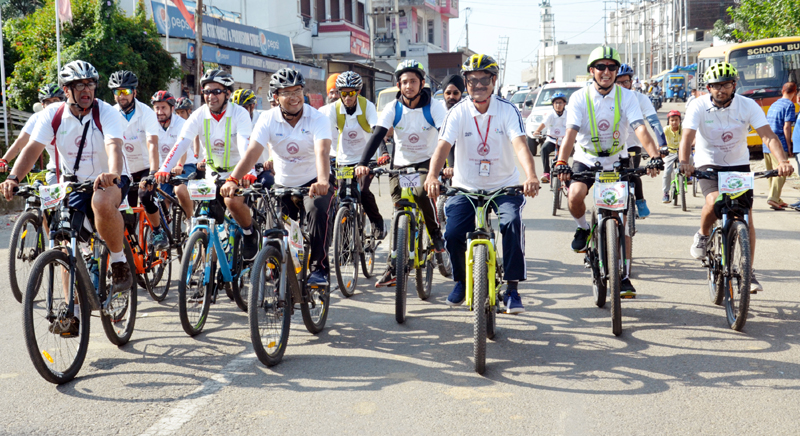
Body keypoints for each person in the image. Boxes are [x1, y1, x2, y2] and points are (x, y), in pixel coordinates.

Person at [0, 60, 133, 293]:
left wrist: (113, 173)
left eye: (90, 84)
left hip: (109, 179)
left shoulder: (107, 112)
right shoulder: (52, 114)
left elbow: (114, 145)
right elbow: (32, 148)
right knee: (64, 241)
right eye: (78, 85)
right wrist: (13, 177)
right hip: (73, 184)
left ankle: (119, 261)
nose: (86, 90)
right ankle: (70, 315)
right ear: (66, 90)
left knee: (101, 201)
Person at [424, 54, 540, 313]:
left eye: (484, 80)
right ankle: (461, 282)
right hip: (465, 188)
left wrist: (530, 175)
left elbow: (520, 146)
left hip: (503, 187)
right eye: (472, 80)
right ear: (466, 83)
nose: (478, 85)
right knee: (453, 234)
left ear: (494, 81)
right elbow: (442, 147)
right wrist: (432, 176)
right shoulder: (457, 112)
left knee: (511, 223)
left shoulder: (507, 110)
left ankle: (511, 288)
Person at [553, 46, 663, 298]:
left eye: (611, 67)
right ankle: (583, 227)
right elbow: (570, 134)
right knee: (575, 197)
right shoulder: (580, 98)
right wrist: (561, 161)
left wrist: (655, 155)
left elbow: (640, 129)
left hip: (616, 160)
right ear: (591, 71)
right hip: (586, 158)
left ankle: (623, 277)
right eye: (600, 67)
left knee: (621, 220)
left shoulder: (627, 97)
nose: (606, 72)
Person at [679, 62, 794, 293]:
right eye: (715, 85)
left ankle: (747, 271)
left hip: (738, 165)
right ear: (708, 87)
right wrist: (684, 162)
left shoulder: (748, 105)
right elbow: (687, 136)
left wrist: (782, 161)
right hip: (708, 162)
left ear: (734, 85)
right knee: (713, 202)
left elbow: (768, 136)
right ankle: (702, 236)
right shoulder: (698, 106)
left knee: (746, 217)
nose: (720, 90)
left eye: (726, 84)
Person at [220, 68, 334, 285]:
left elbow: (322, 151)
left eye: (298, 91)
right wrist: (233, 179)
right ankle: (276, 273)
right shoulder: (267, 119)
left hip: (313, 181)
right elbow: (252, 152)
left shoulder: (317, 118)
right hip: (283, 185)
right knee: (274, 232)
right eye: (287, 92)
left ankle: (319, 268)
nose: (294, 97)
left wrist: (322, 181)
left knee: (317, 210)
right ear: (275, 97)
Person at [355, 60, 447, 288]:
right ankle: (393, 265)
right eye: (404, 82)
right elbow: (377, 135)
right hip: (401, 165)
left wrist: (447, 165)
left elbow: (447, 136)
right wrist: (362, 163)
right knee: (399, 210)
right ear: (399, 85)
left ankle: (435, 234)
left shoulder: (434, 106)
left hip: (427, 162)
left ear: (422, 83)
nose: (409, 86)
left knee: (422, 193)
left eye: (413, 81)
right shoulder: (392, 108)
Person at [154, 69, 258, 260]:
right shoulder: (199, 114)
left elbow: (246, 144)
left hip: (237, 174)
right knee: (206, 217)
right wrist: (163, 169)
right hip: (212, 176)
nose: (211, 96)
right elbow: (182, 142)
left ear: (227, 93)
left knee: (232, 202)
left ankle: (250, 234)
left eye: (216, 91)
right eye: (207, 91)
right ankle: (206, 263)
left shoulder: (239, 113)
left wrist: (248, 171)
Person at [108, 70, 168, 249]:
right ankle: (131, 255)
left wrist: (153, 173)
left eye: (125, 91)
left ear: (134, 92)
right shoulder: (110, 113)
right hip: (124, 169)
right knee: (124, 214)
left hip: (144, 166)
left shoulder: (147, 113)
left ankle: (157, 231)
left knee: (145, 195)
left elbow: (152, 143)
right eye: (117, 92)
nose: (121, 96)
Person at [327, 71, 390, 239]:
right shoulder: (334, 109)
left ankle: (377, 223)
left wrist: (383, 152)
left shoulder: (367, 106)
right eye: (344, 93)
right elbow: (324, 135)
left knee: (362, 190)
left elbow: (377, 131)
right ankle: (346, 237)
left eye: (352, 93)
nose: (347, 97)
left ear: (358, 91)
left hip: (366, 157)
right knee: (342, 194)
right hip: (344, 159)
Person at [615, 63, 668, 218]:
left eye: (626, 82)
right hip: (614, 146)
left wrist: (662, 144)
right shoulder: (610, 98)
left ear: (632, 82)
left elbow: (654, 121)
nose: (622, 86)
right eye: (618, 82)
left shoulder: (640, 98)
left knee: (632, 173)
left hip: (634, 143)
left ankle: (640, 201)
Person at [0, 84, 65, 183]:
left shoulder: (71, 117)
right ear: (42, 105)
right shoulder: (37, 118)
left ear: (63, 102)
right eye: (48, 102)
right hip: (55, 171)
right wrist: (4, 161)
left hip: (77, 172)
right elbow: (21, 141)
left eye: (55, 101)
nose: (52, 105)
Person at [149, 90, 196, 226]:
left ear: (172, 108)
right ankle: (164, 229)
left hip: (185, 165)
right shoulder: (152, 123)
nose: (160, 111)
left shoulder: (181, 124)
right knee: (161, 198)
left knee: (180, 190)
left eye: (163, 107)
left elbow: (183, 148)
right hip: (164, 168)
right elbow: (152, 147)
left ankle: (189, 219)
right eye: (157, 108)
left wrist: (180, 165)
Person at [764, 82, 797, 210]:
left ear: (782, 90)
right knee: (783, 170)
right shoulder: (789, 105)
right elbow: (787, 126)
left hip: (766, 143)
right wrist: (789, 145)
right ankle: (773, 198)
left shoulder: (774, 104)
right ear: (794, 92)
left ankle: (776, 197)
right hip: (778, 142)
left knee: (772, 173)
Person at [232, 88, 273, 188]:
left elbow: (271, 143)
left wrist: (271, 159)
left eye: (244, 108)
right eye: (237, 108)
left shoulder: (261, 120)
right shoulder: (232, 122)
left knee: (268, 183)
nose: (240, 111)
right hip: (241, 168)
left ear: (252, 106)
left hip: (261, 168)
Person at [531, 92, 568, 184]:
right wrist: (537, 131)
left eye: (560, 103)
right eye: (556, 103)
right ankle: (546, 173)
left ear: (564, 104)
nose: (558, 105)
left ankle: (567, 178)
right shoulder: (550, 114)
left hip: (564, 141)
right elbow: (544, 123)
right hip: (551, 139)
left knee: (565, 157)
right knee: (543, 149)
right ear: (553, 104)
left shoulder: (569, 114)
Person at [441, 74, 465, 179]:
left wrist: (452, 166)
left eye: (455, 93)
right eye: (448, 93)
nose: (451, 97)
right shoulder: (438, 110)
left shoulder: (466, 110)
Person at [661, 110, 682, 203]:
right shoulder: (666, 130)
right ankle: (665, 193)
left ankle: (688, 178)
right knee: (667, 171)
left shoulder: (683, 129)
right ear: (669, 121)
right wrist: (661, 150)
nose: (674, 122)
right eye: (672, 120)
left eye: (676, 120)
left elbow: (691, 138)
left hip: (681, 151)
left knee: (690, 158)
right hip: (669, 152)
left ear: (680, 120)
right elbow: (660, 142)